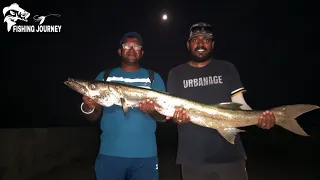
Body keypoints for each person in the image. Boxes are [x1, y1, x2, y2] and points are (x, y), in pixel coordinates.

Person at [165, 22, 276, 180]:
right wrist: (176, 118)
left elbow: (241, 104)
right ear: (188, 44)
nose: (201, 44)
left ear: (213, 44)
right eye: (196, 40)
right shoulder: (176, 73)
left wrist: (260, 118)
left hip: (230, 155)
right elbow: (173, 112)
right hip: (192, 159)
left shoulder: (227, 68)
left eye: (206, 40)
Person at [80, 32, 166, 180]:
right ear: (120, 51)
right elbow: (93, 116)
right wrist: (88, 106)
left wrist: (152, 111)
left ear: (142, 52)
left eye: (136, 46)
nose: (131, 49)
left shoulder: (153, 78)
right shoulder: (104, 77)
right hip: (109, 154)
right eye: (126, 46)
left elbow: (163, 117)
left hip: (145, 156)